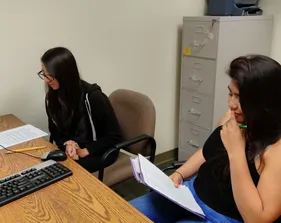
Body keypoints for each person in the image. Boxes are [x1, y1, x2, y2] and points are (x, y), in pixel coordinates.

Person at [130, 55, 281, 223]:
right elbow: (207, 152)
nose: (231, 104)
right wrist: (181, 173)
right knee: (125, 213)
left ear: (263, 103)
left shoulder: (276, 150)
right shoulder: (232, 119)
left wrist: (236, 150)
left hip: (223, 217)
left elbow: (258, 219)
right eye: (230, 94)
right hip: (190, 194)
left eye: (240, 98)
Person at [38, 47, 123, 173]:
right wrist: (68, 143)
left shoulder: (93, 97)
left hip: (100, 151)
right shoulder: (52, 97)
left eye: (50, 75)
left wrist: (86, 151)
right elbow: (54, 130)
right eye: (44, 74)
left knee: (64, 172)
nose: (46, 80)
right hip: (73, 150)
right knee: (46, 167)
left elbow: (114, 137)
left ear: (64, 74)